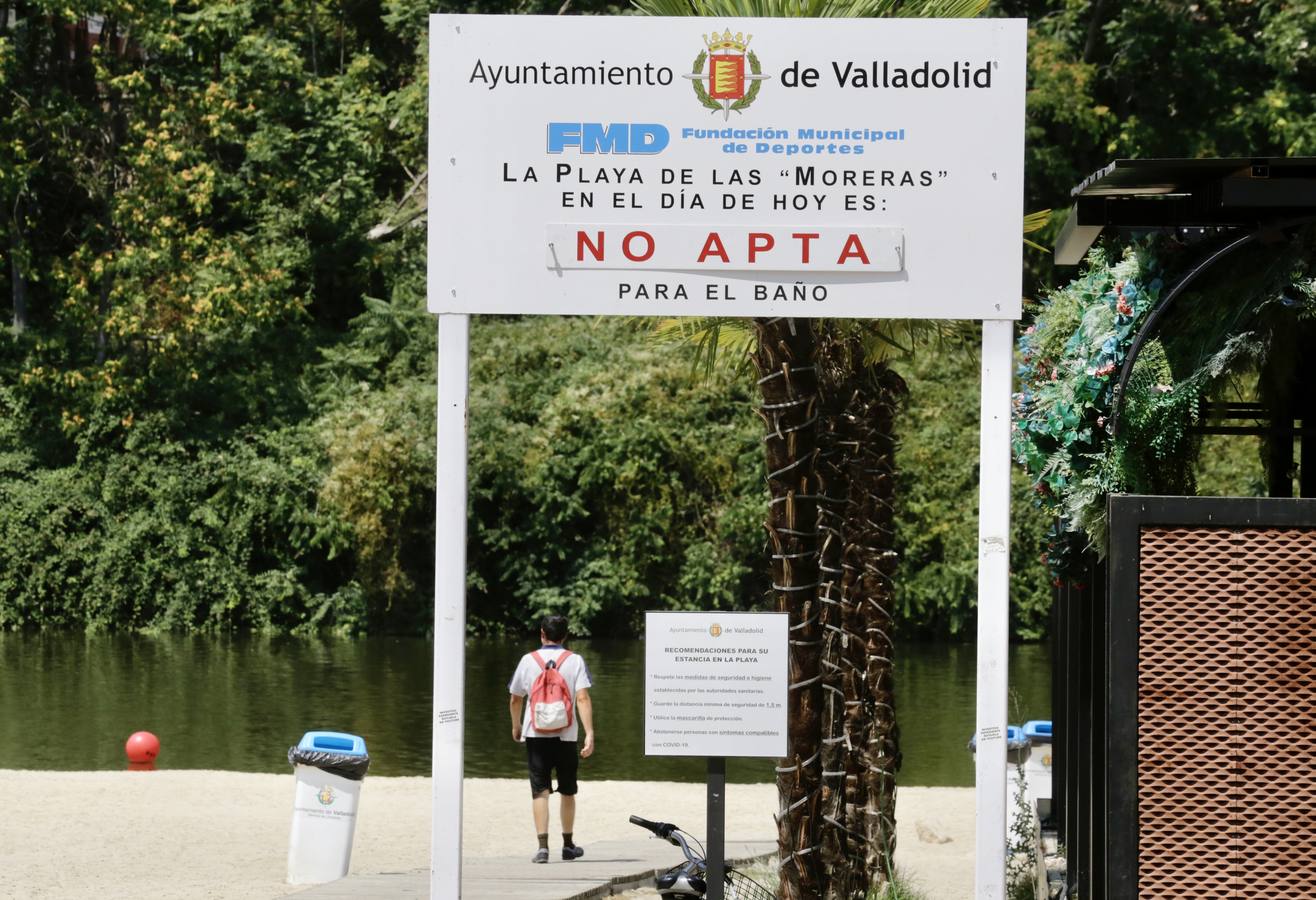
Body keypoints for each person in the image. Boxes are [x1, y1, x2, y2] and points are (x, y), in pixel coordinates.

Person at [508, 614, 595, 863]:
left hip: (535, 734)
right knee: (568, 790)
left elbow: (515, 698)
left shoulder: (528, 660)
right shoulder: (574, 660)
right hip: (566, 735)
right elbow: (582, 698)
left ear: (542, 634)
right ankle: (568, 845)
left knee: (540, 791)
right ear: (565, 636)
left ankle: (543, 847)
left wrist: (516, 726)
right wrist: (589, 733)